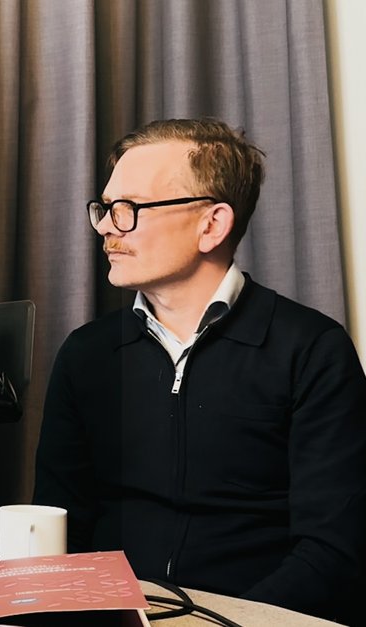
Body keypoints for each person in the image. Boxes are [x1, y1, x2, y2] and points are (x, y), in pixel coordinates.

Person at [33, 118, 366, 619]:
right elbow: (61, 528)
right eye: (105, 208)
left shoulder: (313, 350)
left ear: (212, 224)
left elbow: (333, 554)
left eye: (129, 209)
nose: (105, 226)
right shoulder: (87, 354)